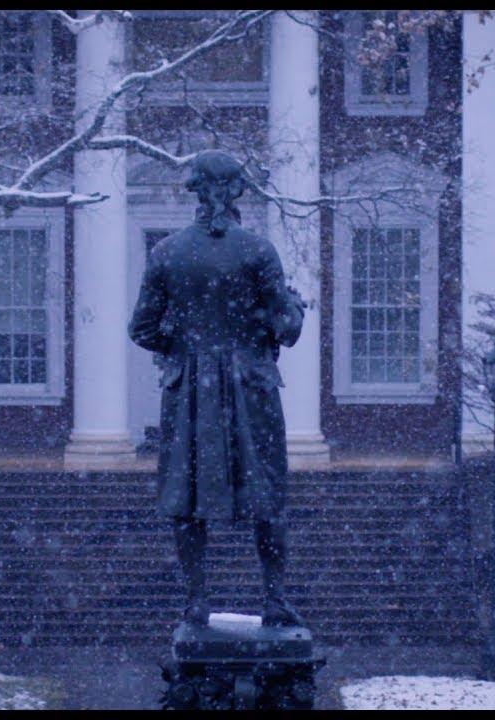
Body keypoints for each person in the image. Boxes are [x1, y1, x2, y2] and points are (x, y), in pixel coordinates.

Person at [128, 149, 308, 628]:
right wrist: (293, 308)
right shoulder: (257, 250)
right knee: (268, 496)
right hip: (251, 388)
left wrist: (184, 345)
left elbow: (141, 328)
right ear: (232, 192)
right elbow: (285, 328)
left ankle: (196, 599)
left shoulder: (167, 252)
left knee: (188, 498)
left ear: (198, 190)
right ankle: (274, 598)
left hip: (190, 389)